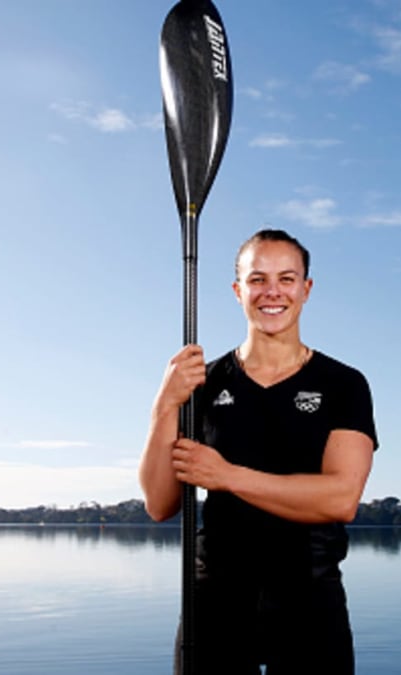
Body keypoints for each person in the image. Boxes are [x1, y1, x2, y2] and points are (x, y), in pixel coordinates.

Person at [139, 228, 378, 674]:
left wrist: (227, 476)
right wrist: (164, 404)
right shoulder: (201, 383)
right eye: (257, 279)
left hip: (309, 597)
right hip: (215, 600)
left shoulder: (344, 384)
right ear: (237, 291)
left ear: (306, 290)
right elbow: (159, 503)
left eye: (287, 279)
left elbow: (341, 498)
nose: (272, 292)